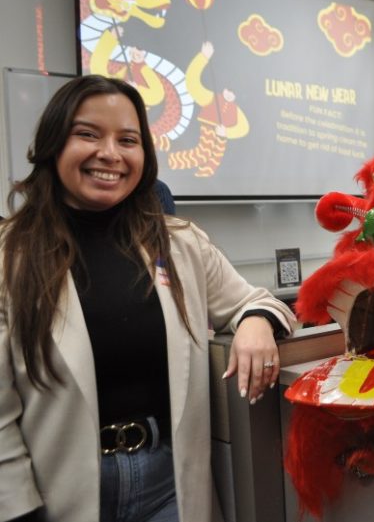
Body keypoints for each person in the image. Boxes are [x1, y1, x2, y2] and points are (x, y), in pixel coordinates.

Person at [0, 75, 294, 522]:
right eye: (88, 134)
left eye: (128, 139)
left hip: (168, 487)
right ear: (53, 144)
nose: (110, 154)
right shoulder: (10, 255)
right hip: (60, 490)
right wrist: (18, 508)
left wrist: (255, 321)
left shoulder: (178, 243)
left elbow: (259, 301)